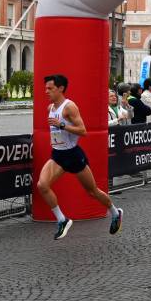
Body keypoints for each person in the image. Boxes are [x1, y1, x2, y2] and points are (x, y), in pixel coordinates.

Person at [36, 74, 122, 240]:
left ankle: (115, 212)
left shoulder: (69, 107)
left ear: (60, 88)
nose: (46, 91)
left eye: (50, 88)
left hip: (73, 155)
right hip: (57, 154)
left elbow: (83, 130)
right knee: (42, 185)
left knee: (92, 191)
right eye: (46, 88)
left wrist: (61, 124)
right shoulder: (50, 108)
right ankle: (62, 219)